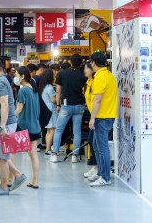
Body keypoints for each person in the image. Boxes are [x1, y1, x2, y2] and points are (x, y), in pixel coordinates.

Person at [0, 56, 27, 196]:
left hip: (4, 124)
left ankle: (4, 188)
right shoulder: (0, 81)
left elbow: (4, 104)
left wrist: (3, 127)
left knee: (2, 158)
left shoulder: (0, 83)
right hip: (1, 123)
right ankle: (17, 174)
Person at [50, 54, 87, 163]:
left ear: (70, 62)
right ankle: (75, 156)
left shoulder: (62, 73)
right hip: (79, 106)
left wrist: (58, 104)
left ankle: (54, 154)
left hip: (66, 106)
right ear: (81, 63)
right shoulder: (83, 75)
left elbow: (58, 91)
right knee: (77, 132)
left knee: (59, 130)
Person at [88, 52, 118, 187]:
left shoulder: (100, 77)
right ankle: (101, 173)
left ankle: (105, 177)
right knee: (96, 145)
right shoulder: (109, 75)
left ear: (93, 63)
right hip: (107, 115)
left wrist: (92, 118)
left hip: (102, 116)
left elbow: (98, 99)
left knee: (102, 148)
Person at [14, 67, 41, 188]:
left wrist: (9, 116)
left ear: (22, 76)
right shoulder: (34, 89)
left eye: (16, 75)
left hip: (23, 125)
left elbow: (19, 109)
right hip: (35, 126)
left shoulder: (23, 90)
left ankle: (11, 179)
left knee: (11, 153)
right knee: (33, 154)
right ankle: (35, 181)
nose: (15, 78)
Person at [83, 62, 99, 180]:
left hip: (98, 116)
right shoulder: (88, 83)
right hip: (92, 115)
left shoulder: (94, 82)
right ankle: (95, 167)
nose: (85, 70)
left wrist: (93, 117)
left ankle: (97, 168)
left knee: (95, 142)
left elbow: (97, 100)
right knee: (91, 141)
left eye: (86, 68)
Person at [39, 69, 57, 157]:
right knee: (52, 130)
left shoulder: (43, 86)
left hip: (45, 109)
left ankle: (47, 148)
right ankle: (48, 149)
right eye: (53, 75)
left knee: (48, 130)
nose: (54, 77)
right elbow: (53, 99)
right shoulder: (50, 87)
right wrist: (59, 95)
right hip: (51, 109)